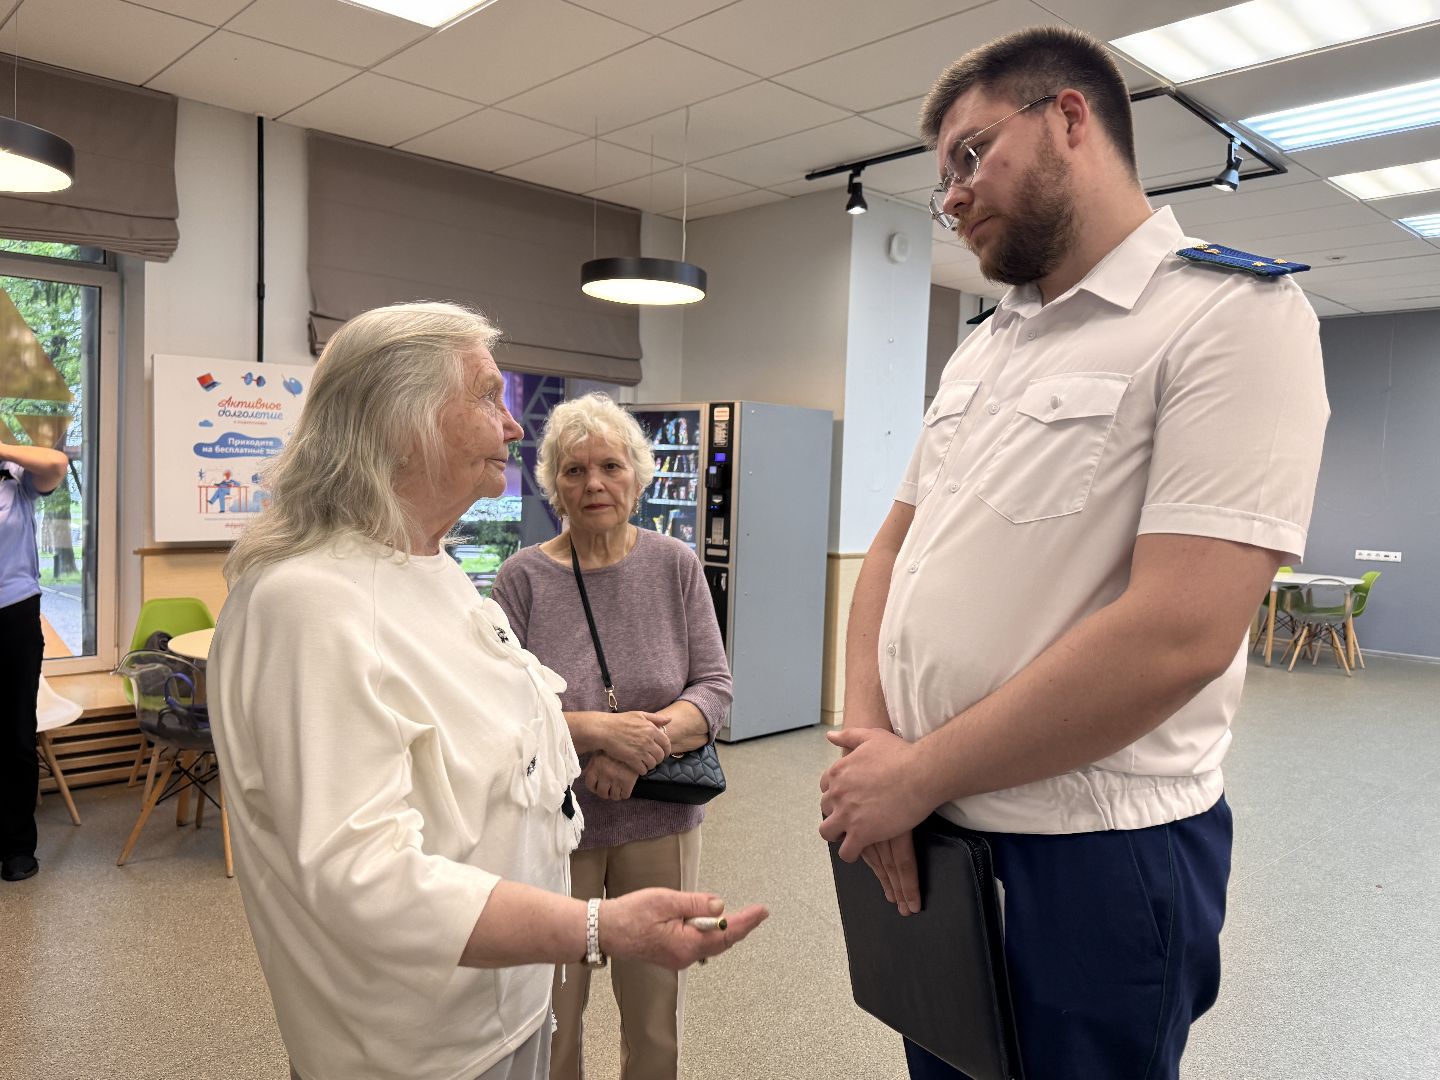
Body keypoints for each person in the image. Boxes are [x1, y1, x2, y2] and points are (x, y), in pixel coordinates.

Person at [818, 26, 1329, 1080]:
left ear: (1069, 117)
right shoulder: (984, 348)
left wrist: (913, 776)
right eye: (939, 179)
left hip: (1092, 854)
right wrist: (873, 754)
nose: (951, 197)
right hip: (929, 830)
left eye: (968, 155)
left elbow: (1178, 635)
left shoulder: (1229, 317)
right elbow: (890, 555)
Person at [209, 304, 765, 1080]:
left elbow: (513, 751)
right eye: (486, 397)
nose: (511, 426)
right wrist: (596, 926)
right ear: (402, 421)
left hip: (501, 1009)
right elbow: (363, 877)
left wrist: (632, 747)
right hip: (417, 1049)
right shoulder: (307, 603)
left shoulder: (433, 573)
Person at [491, 393, 732, 1080]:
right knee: (554, 1014)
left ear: (638, 475)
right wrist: (599, 735)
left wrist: (634, 752)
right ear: (553, 487)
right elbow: (503, 714)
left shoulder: (675, 565)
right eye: (574, 470)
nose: (593, 483)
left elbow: (712, 690)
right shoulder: (522, 580)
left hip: (660, 821)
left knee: (656, 1019)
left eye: (609, 466)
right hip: (554, 830)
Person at [0, 440, 69, 883]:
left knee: (16, 734)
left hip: (13, 616)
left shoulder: (15, 476)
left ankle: (17, 846)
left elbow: (57, 465)